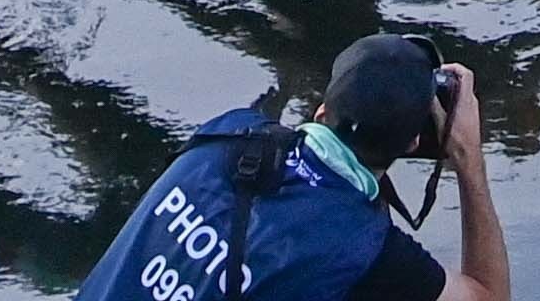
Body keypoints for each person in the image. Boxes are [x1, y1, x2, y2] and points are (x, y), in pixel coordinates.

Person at [62, 34, 504, 301]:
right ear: (412, 144)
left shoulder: (226, 135)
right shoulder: (366, 253)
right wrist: (469, 160)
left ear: (321, 109)